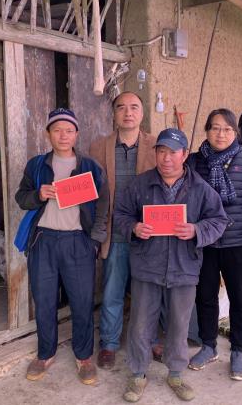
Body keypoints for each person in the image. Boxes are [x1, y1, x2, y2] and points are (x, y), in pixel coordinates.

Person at [114, 128, 229, 402]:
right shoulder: (140, 185)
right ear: (155, 153)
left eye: (173, 152)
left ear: (184, 155)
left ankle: (175, 373)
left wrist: (196, 230)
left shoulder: (200, 188)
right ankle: (138, 373)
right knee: (140, 323)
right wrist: (134, 227)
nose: (166, 158)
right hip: (147, 265)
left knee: (179, 324)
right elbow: (120, 214)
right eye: (161, 151)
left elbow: (219, 220)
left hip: (184, 267)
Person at [15, 108, 109, 385]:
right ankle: (45, 354)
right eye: (57, 130)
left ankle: (84, 356)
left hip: (78, 241)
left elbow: (103, 203)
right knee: (44, 300)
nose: (63, 135)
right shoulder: (37, 165)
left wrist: (95, 239)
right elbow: (21, 197)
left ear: (76, 134)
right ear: (48, 134)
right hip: (43, 240)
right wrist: (38, 194)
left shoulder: (89, 166)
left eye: (69, 130)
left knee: (81, 301)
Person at [186, 108, 242, 380]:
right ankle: (208, 345)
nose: (220, 134)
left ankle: (238, 348)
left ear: (235, 132)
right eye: (215, 128)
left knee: (240, 298)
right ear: (207, 131)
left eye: (227, 129)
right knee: (205, 296)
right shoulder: (195, 161)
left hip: (240, 240)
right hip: (205, 242)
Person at [89, 91, 156, 370]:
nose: (128, 113)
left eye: (134, 107)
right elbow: (91, 190)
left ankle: (149, 340)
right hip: (115, 233)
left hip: (148, 233)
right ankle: (109, 343)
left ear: (142, 113)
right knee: (112, 291)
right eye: (121, 107)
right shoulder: (98, 148)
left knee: (147, 294)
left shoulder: (156, 146)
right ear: (114, 113)